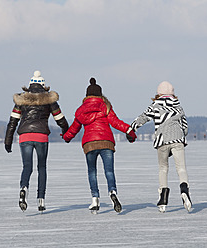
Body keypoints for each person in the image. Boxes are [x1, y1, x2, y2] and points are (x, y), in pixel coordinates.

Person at [63, 78, 137, 214]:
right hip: (106, 142)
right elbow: (116, 122)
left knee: (92, 172)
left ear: (87, 95)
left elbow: (74, 128)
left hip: (89, 144)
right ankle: (112, 191)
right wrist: (129, 131)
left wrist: (67, 137)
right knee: (109, 171)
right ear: (100, 94)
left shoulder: (81, 110)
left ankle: (95, 199)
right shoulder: (105, 106)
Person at [4, 70, 69, 212]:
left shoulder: (21, 100)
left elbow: (12, 122)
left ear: (29, 85)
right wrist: (66, 132)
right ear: (44, 85)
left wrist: (8, 141)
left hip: (25, 136)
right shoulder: (49, 100)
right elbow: (60, 119)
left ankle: (24, 188)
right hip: (41, 136)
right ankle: (41, 200)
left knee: (27, 167)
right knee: (42, 168)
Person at [129, 81, 192, 213]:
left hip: (162, 140)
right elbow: (185, 127)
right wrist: (180, 135)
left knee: (163, 168)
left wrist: (131, 129)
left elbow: (143, 118)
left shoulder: (155, 105)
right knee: (181, 168)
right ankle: (184, 190)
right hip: (178, 139)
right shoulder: (178, 107)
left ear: (159, 93)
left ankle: (163, 198)